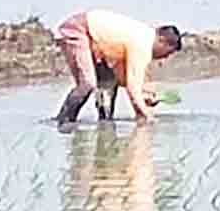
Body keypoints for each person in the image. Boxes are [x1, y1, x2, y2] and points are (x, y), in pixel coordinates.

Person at [54, 9, 183, 125]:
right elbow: (133, 87)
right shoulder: (143, 44)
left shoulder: (142, 37)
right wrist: (145, 116)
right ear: (162, 41)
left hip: (96, 43)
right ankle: (64, 121)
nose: (164, 58)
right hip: (79, 30)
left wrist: (144, 96)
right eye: (168, 53)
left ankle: (105, 126)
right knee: (87, 83)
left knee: (109, 82)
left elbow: (123, 78)